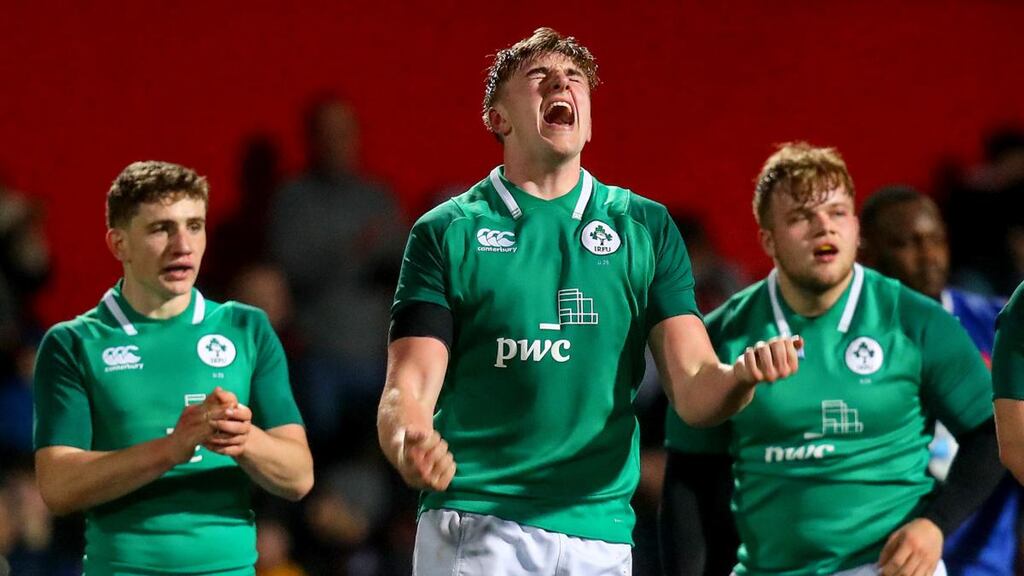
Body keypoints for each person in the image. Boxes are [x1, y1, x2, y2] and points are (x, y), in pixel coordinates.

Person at [377, 28, 800, 575]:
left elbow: (695, 389)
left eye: (574, 79)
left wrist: (740, 377)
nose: (561, 84)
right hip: (480, 523)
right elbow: (406, 386)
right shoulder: (447, 231)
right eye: (538, 78)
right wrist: (411, 436)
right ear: (497, 119)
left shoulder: (645, 227)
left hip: (600, 536)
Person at [661, 143, 1003, 576]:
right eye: (802, 216)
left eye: (837, 213)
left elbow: (989, 435)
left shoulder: (917, 321)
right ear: (768, 239)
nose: (824, 227)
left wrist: (935, 525)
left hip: (885, 566)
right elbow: (689, 479)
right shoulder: (720, 335)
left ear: (856, 228)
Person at [33, 161, 314, 575]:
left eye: (194, 225)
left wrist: (241, 438)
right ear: (118, 244)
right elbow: (57, 487)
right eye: (161, 228)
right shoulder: (73, 343)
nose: (182, 245)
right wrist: (171, 449)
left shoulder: (246, 328)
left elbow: (299, 476)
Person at [860, 185, 1021, 576]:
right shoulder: (852, 343)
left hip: (983, 560)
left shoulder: (998, 323)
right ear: (866, 253)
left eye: (936, 240)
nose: (929, 255)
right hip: (883, 559)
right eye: (907, 243)